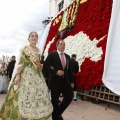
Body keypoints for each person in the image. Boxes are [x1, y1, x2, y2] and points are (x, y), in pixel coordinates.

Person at [0, 31, 53, 120]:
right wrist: (18, 75)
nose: (34, 37)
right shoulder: (26, 49)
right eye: (32, 36)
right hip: (26, 74)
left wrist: (43, 66)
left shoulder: (38, 50)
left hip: (37, 75)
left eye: (36, 36)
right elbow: (21, 63)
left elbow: (38, 64)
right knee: (25, 95)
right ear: (29, 38)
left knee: (37, 95)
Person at [43, 39, 74, 120]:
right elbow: (45, 66)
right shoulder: (52, 55)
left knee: (69, 96)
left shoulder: (67, 56)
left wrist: (72, 81)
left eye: (64, 44)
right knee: (55, 101)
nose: (63, 45)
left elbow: (69, 70)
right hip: (55, 82)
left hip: (65, 82)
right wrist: (56, 72)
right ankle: (56, 117)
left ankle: (57, 114)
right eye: (61, 44)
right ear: (57, 45)